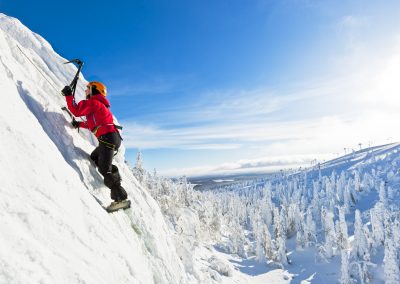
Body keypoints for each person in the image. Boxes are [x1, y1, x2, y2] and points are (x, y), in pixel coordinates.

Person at [61, 82, 128, 202]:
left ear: (94, 90)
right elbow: (93, 123)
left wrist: (68, 95)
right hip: (111, 138)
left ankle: (120, 198)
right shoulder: (99, 106)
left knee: (104, 169)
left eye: (88, 88)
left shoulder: (93, 102)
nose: (86, 90)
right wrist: (79, 124)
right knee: (94, 157)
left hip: (108, 139)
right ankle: (112, 178)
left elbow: (76, 110)